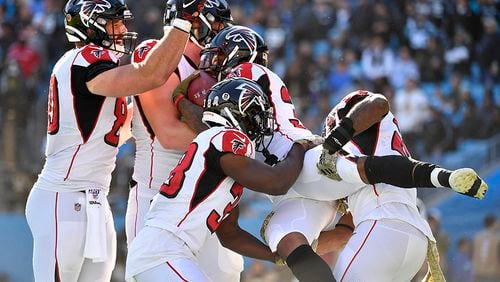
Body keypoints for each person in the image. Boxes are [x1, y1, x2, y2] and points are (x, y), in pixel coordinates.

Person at [177, 25, 487, 282]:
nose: (210, 63)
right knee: (283, 236)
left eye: (218, 54)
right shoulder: (238, 90)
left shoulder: (247, 72)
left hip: (297, 157)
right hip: (293, 187)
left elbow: (211, 122)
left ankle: (441, 175)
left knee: (351, 169)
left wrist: (180, 101)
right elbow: (339, 235)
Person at [24, 0, 206, 281]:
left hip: (96, 201)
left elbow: (113, 132)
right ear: (90, 26)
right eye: (114, 22)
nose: (122, 29)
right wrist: (182, 22)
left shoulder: (99, 69)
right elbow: (152, 74)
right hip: (63, 195)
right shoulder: (82, 58)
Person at [125, 77, 320, 281]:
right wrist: (300, 146)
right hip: (164, 251)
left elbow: (230, 235)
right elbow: (276, 183)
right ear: (237, 112)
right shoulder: (225, 138)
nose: (260, 121)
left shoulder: (213, 145)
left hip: (163, 252)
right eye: (255, 113)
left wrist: (275, 256)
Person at [125, 1, 243, 281]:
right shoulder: (158, 56)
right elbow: (168, 134)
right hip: (158, 199)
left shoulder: (220, 67)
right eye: (215, 24)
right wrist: (236, 140)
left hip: (206, 199)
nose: (221, 32)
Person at [472, 214, 500, 282]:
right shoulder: (497, 238)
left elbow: (472, 254)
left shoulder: (477, 237)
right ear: (494, 223)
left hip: (478, 273)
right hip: (493, 274)